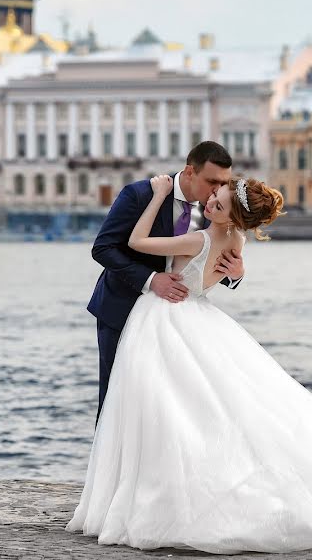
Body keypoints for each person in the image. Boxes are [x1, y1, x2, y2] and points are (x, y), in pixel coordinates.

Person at [67, 175, 312, 554]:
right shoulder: (236, 239)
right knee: (193, 409)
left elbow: (135, 242)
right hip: (198, 317)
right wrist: (236, 271)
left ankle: (158, 497)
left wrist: (159, 194)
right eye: (215, 196)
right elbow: (225, 268)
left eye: (219, 205)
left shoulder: (201, 237)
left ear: (231, 218)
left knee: (160, 409)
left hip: (163, 317)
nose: (210, 203)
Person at [87, 141, 244, 423]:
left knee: (172, 405)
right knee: (117, 401)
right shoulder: (139, 194)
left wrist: (235, 275)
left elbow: (203, 265)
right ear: (189, 171)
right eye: (211, 181)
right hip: (122, 309)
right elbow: (103, 248)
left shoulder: (215, 211)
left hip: (177, 323)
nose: (217, 190)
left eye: (223, 183)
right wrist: (151, 279)